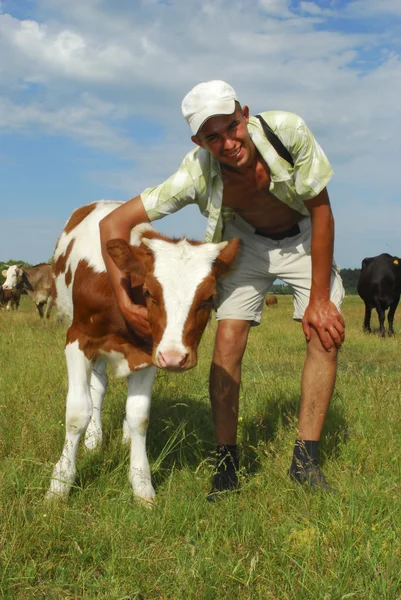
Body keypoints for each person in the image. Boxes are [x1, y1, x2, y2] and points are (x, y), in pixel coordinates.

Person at [99, 80, 345, 501]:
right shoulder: (194, 173)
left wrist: (320, 301)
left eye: (232, 126)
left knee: (324, 334)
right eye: (213, 136)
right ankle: (227, 466)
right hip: (245, 242)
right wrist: (125, 297)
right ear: (199, 140)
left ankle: (305, 461)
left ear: (244, 114)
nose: (229, 142)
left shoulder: (288, 131)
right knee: (228, 340)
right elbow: (112, 225)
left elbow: (322, 210)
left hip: (304, 235)